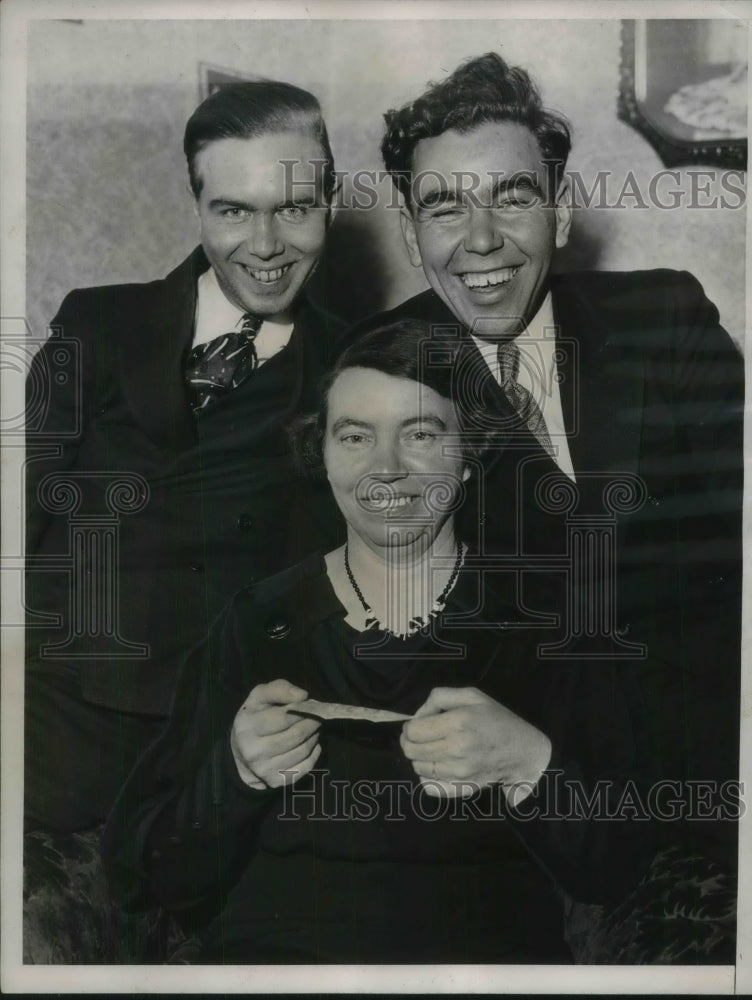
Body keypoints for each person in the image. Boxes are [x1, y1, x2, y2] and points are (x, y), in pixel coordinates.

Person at [103, 320, 651, 964]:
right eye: (355, 437)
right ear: (323, 455)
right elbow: (145, 876)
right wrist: (238, 772)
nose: (385, 469)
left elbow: (619, 871)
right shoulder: (256, 621)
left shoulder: (549, 623)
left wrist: (528, 763)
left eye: (420, 434)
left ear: (469, 455)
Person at [371, 53, 744, 867]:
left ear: (562, 212)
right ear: (409, 234)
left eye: (513, 197)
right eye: (443, 207)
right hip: (525, 823)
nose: (481, 241)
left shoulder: (664, 315)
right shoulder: (373, 378)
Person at [24, 80, 345, 833]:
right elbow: (17, 506)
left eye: (293, 209)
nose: (265, 248)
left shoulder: (352, 365)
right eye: (233, 210)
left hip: (221, 744)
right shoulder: (98, 321)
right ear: (198, 204)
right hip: (58, 714)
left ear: (329, 203)